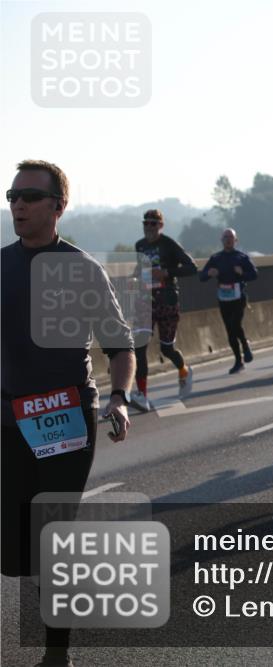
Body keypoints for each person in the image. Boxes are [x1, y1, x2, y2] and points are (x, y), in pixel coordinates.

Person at [3, 160, 135, 667]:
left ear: (58, 207)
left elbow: (120, 346)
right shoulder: (1, 265)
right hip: (9, 417)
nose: (18, 204)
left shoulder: (81, 268)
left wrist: (120, 400)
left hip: (64, 417)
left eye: (30, 197)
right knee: (18, 549)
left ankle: (56, 654)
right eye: (12, 195)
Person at [131, 208, 197, 411]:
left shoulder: (169, 244)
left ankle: (184, 370)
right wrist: (134, 279)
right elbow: (140, 269)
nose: (148, 227)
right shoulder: (140, 246)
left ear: (160, 225)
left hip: (167, 301)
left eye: (153, 223)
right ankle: (142, 395)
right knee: (139, 345)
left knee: (166, 348)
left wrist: (167, 272)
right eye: (146, 223)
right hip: (146, 301)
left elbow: (191, 267)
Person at [199, 228, 258, 374]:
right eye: (225, 237)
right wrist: (209, 273)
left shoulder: (242, 257)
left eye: (231, 237)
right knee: (230, 331)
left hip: (239, 297)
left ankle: (245, 345)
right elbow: (202, 277)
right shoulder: (216, 258)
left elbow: (254, 275)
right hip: (224, 298)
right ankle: (239, 361)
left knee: (235, 324)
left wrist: (242, 273)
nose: (228, 240)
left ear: (235, 240)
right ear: (221, 240)